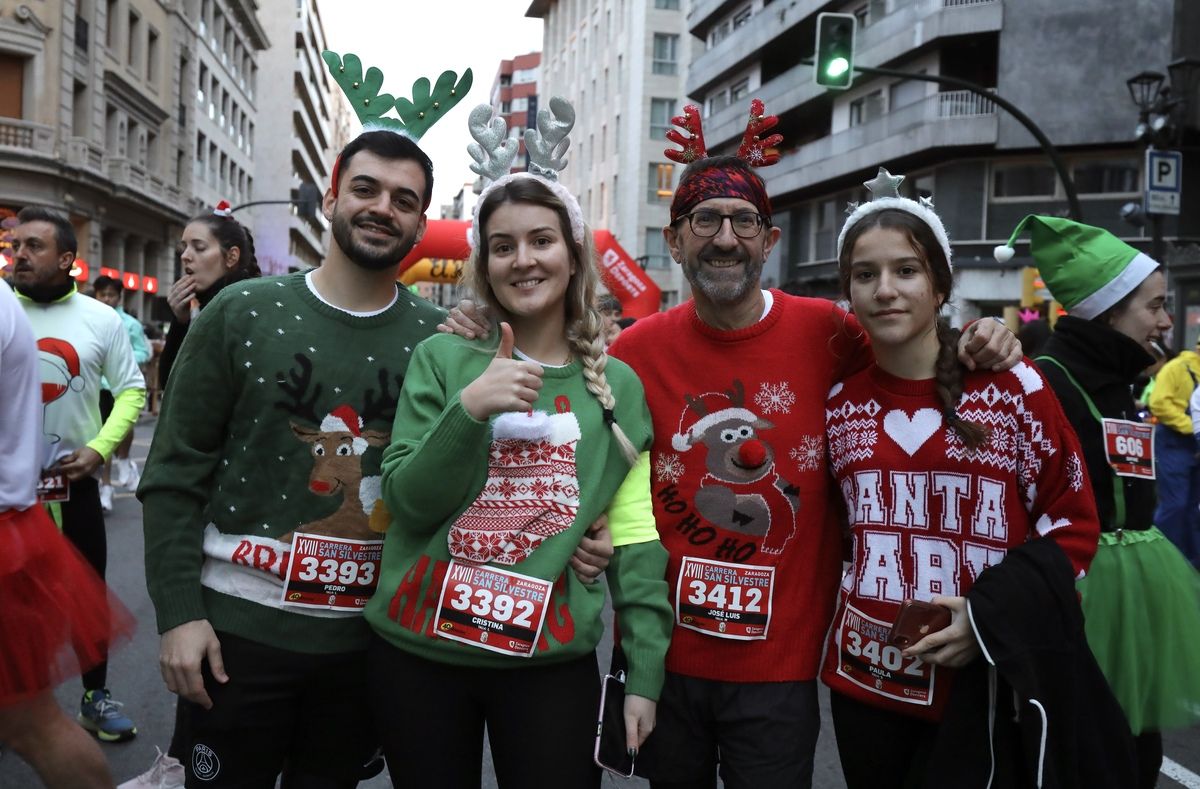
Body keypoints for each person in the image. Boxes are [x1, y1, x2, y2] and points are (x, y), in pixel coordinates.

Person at [441, 105, 1021, 788]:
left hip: (779, 670)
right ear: (675, 239)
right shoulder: (630, 354)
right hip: (663, 662)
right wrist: (484, 321)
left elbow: (915, 359)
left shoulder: (833, 334)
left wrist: (980, 339)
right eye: (704, 222)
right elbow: (564, 436)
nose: (725, 238)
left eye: (743, 221)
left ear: (768, 238)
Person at [364, 98, 672, 789]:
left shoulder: (618, 385)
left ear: (573, 255)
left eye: (541, 240)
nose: (522, 259)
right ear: (485, 260)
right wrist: (470, 409)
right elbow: (409, 505)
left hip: (547, 666)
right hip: (419, 657)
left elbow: (634, 537)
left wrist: (644, 673)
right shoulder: (443, 360)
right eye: (503, 245)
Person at [823, 172, 1116, 786]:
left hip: (978, 686)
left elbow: (1075, 524)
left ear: (941, 284)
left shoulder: (1015, 389)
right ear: (847, 290)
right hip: (862, 690)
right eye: (865, 274)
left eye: (906, 270)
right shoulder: (837, 403)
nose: (885, 290)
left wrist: (987, 619)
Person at [996, 215, 1200, 788]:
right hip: (1085, 589)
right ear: (1110, 310)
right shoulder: (1048, 381)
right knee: (1088, 750)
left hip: (1140, 587)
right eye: (1155, 306)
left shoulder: (1121, 379)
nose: (1165, 320)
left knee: (1137, 748)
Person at [10, 206, 146, 744]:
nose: (19, 254)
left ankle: (95, 696)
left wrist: (98, 449)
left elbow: (132, 388)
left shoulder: (101, 318)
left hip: (75, 483)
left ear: (67, 259)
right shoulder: (1, 310)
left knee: (85, 595)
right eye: (16, 245)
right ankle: (17, 705)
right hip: (9, 491)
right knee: (13, 602)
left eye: (33, 246)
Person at [157, 201, 262, 391]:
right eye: (184, 247)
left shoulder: (249, 310)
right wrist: (180, 321)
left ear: (231, 257)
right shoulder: (204, 306)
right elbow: (170, 384)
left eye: (199, 247)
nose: (185, 256)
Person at [91, 274, 152, 511]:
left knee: (123, 429)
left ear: (119, 297)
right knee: (101, 437)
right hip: (96, 387)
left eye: (111, 295)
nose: (106, 299)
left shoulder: (130, 324)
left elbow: (143, 352)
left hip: (121, 386)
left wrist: (120, 360)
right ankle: (105, 486)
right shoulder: (89, 318)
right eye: (102, 294)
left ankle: (125, 460)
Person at [1148, 337, 1200, 563]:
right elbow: (1158, 403)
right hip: (1173, 442)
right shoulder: (1176, 368)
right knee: (1175, 503)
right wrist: (1191, 426)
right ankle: (1159, 557)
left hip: (1194, 442)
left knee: (1192, 507)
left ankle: (1190, 561)